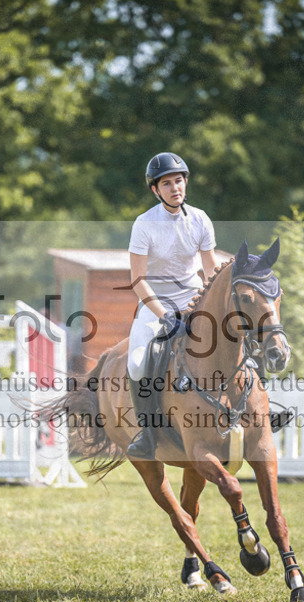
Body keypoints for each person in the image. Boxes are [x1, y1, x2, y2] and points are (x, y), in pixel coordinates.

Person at [126, 152, 219, 459]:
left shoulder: (201, 218)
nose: (175, 188)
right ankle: (147, 431)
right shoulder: (144, 224)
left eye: (179, 181)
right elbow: (138, 280)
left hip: (193, 293)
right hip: (156, 298)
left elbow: (210, 271)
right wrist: (165, 316)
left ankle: (254, 413)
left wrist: (210, 305)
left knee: (232, 336)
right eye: (167, 183)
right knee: (138, 362)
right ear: (156, 190)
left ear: (185, 183)